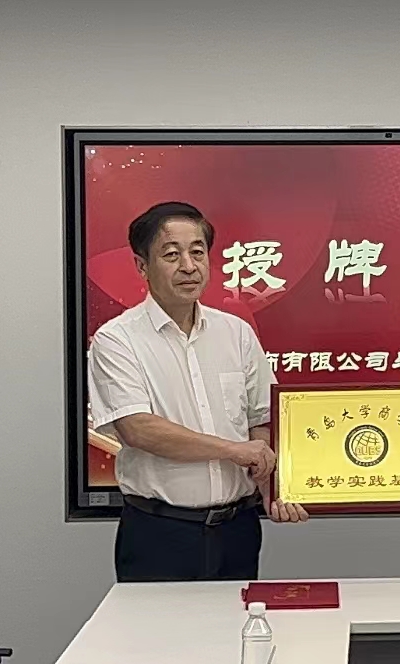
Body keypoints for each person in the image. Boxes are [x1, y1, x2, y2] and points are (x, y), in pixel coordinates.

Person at [88, 201, 307, 583]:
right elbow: (139, 429)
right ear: (142, 266)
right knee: (158, 626)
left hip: (238, 529)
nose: (188, 266)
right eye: (171, 255)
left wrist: (270, 481)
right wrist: (235, 450)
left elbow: (261, 418)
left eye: (197, 252)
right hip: (159, 533)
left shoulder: (235, 333)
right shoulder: (117, 340)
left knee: (237, 623)